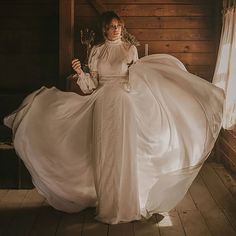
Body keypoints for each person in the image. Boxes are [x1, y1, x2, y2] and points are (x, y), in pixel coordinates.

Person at [4, 11, 224, 224]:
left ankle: (126, 203)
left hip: (124, 104)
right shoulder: (97, 51)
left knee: (124, 151)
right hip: (102, 103)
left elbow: (135, 81)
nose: (116, 30)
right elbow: (91, 87)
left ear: (122, 27)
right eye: (111, 27)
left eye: (118, 26)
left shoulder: (130, 50)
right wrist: (81, 73)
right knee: (104, 152)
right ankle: (107, 203)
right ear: (105, 29)